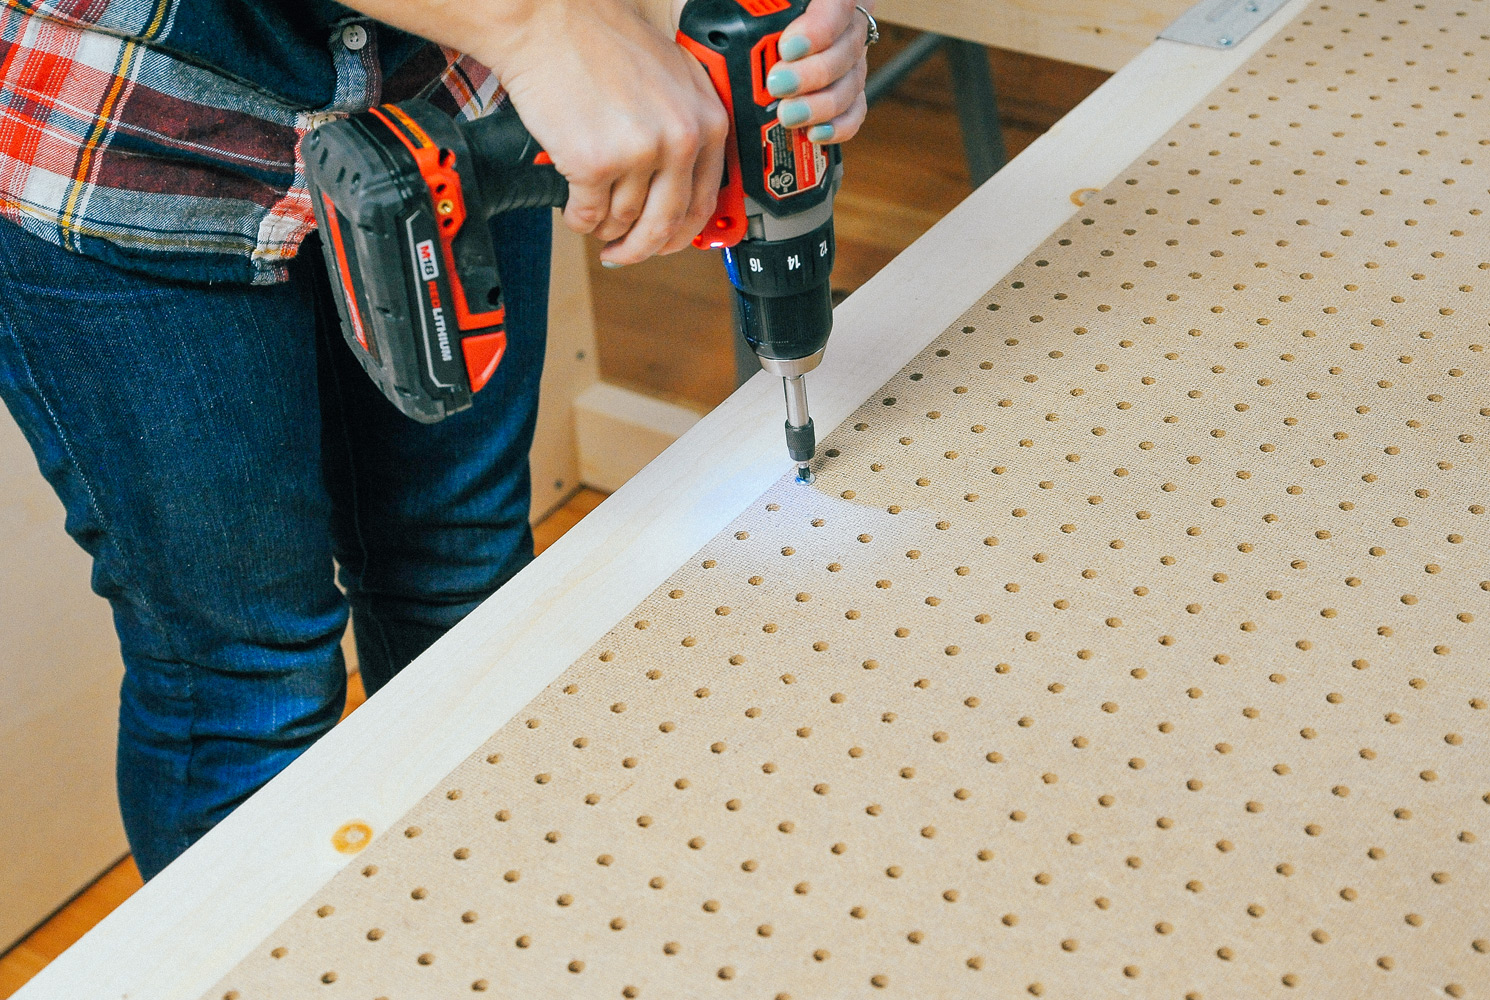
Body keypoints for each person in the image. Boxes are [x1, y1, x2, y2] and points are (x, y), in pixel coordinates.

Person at [0, 0, 874, 879]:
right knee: (248, 679)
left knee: (465, 576)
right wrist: (542, 25)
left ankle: (487, 918)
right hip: (120, 135)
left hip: (447, 96)